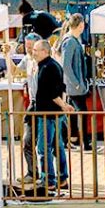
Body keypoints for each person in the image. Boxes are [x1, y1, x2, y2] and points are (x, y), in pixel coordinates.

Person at [32, 39, 74, 189]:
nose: (33, 53)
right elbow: (61, 89)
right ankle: (62, 177)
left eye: (36, 50)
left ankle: (49, 180)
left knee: (43, 148)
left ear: (45, 51)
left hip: (47, 113)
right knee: (58, 146)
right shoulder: (53, 65)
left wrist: (64, 105)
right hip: (54, 113)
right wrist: (63, 106)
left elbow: (52, 93)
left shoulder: (47, 68)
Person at [13, 32, 42, 183]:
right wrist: (6, 56)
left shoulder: (43, 61)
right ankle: (33, 172)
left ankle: (56, 176)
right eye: (27, 46)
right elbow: (14, 71)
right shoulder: (27, 59)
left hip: (43, 105)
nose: (29, 49)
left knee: (50, 144)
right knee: (28, 140)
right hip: (33, 104)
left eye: (31, 47)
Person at [59, 14, 90, 149]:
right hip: (74, 86)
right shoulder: (70, 41)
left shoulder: (71, 40)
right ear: (80, 25)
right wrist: (76, 82)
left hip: (74, 85)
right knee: (82, 112)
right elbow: (66, 65)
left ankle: (71, 139)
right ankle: (84, 142)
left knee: (72, 112)